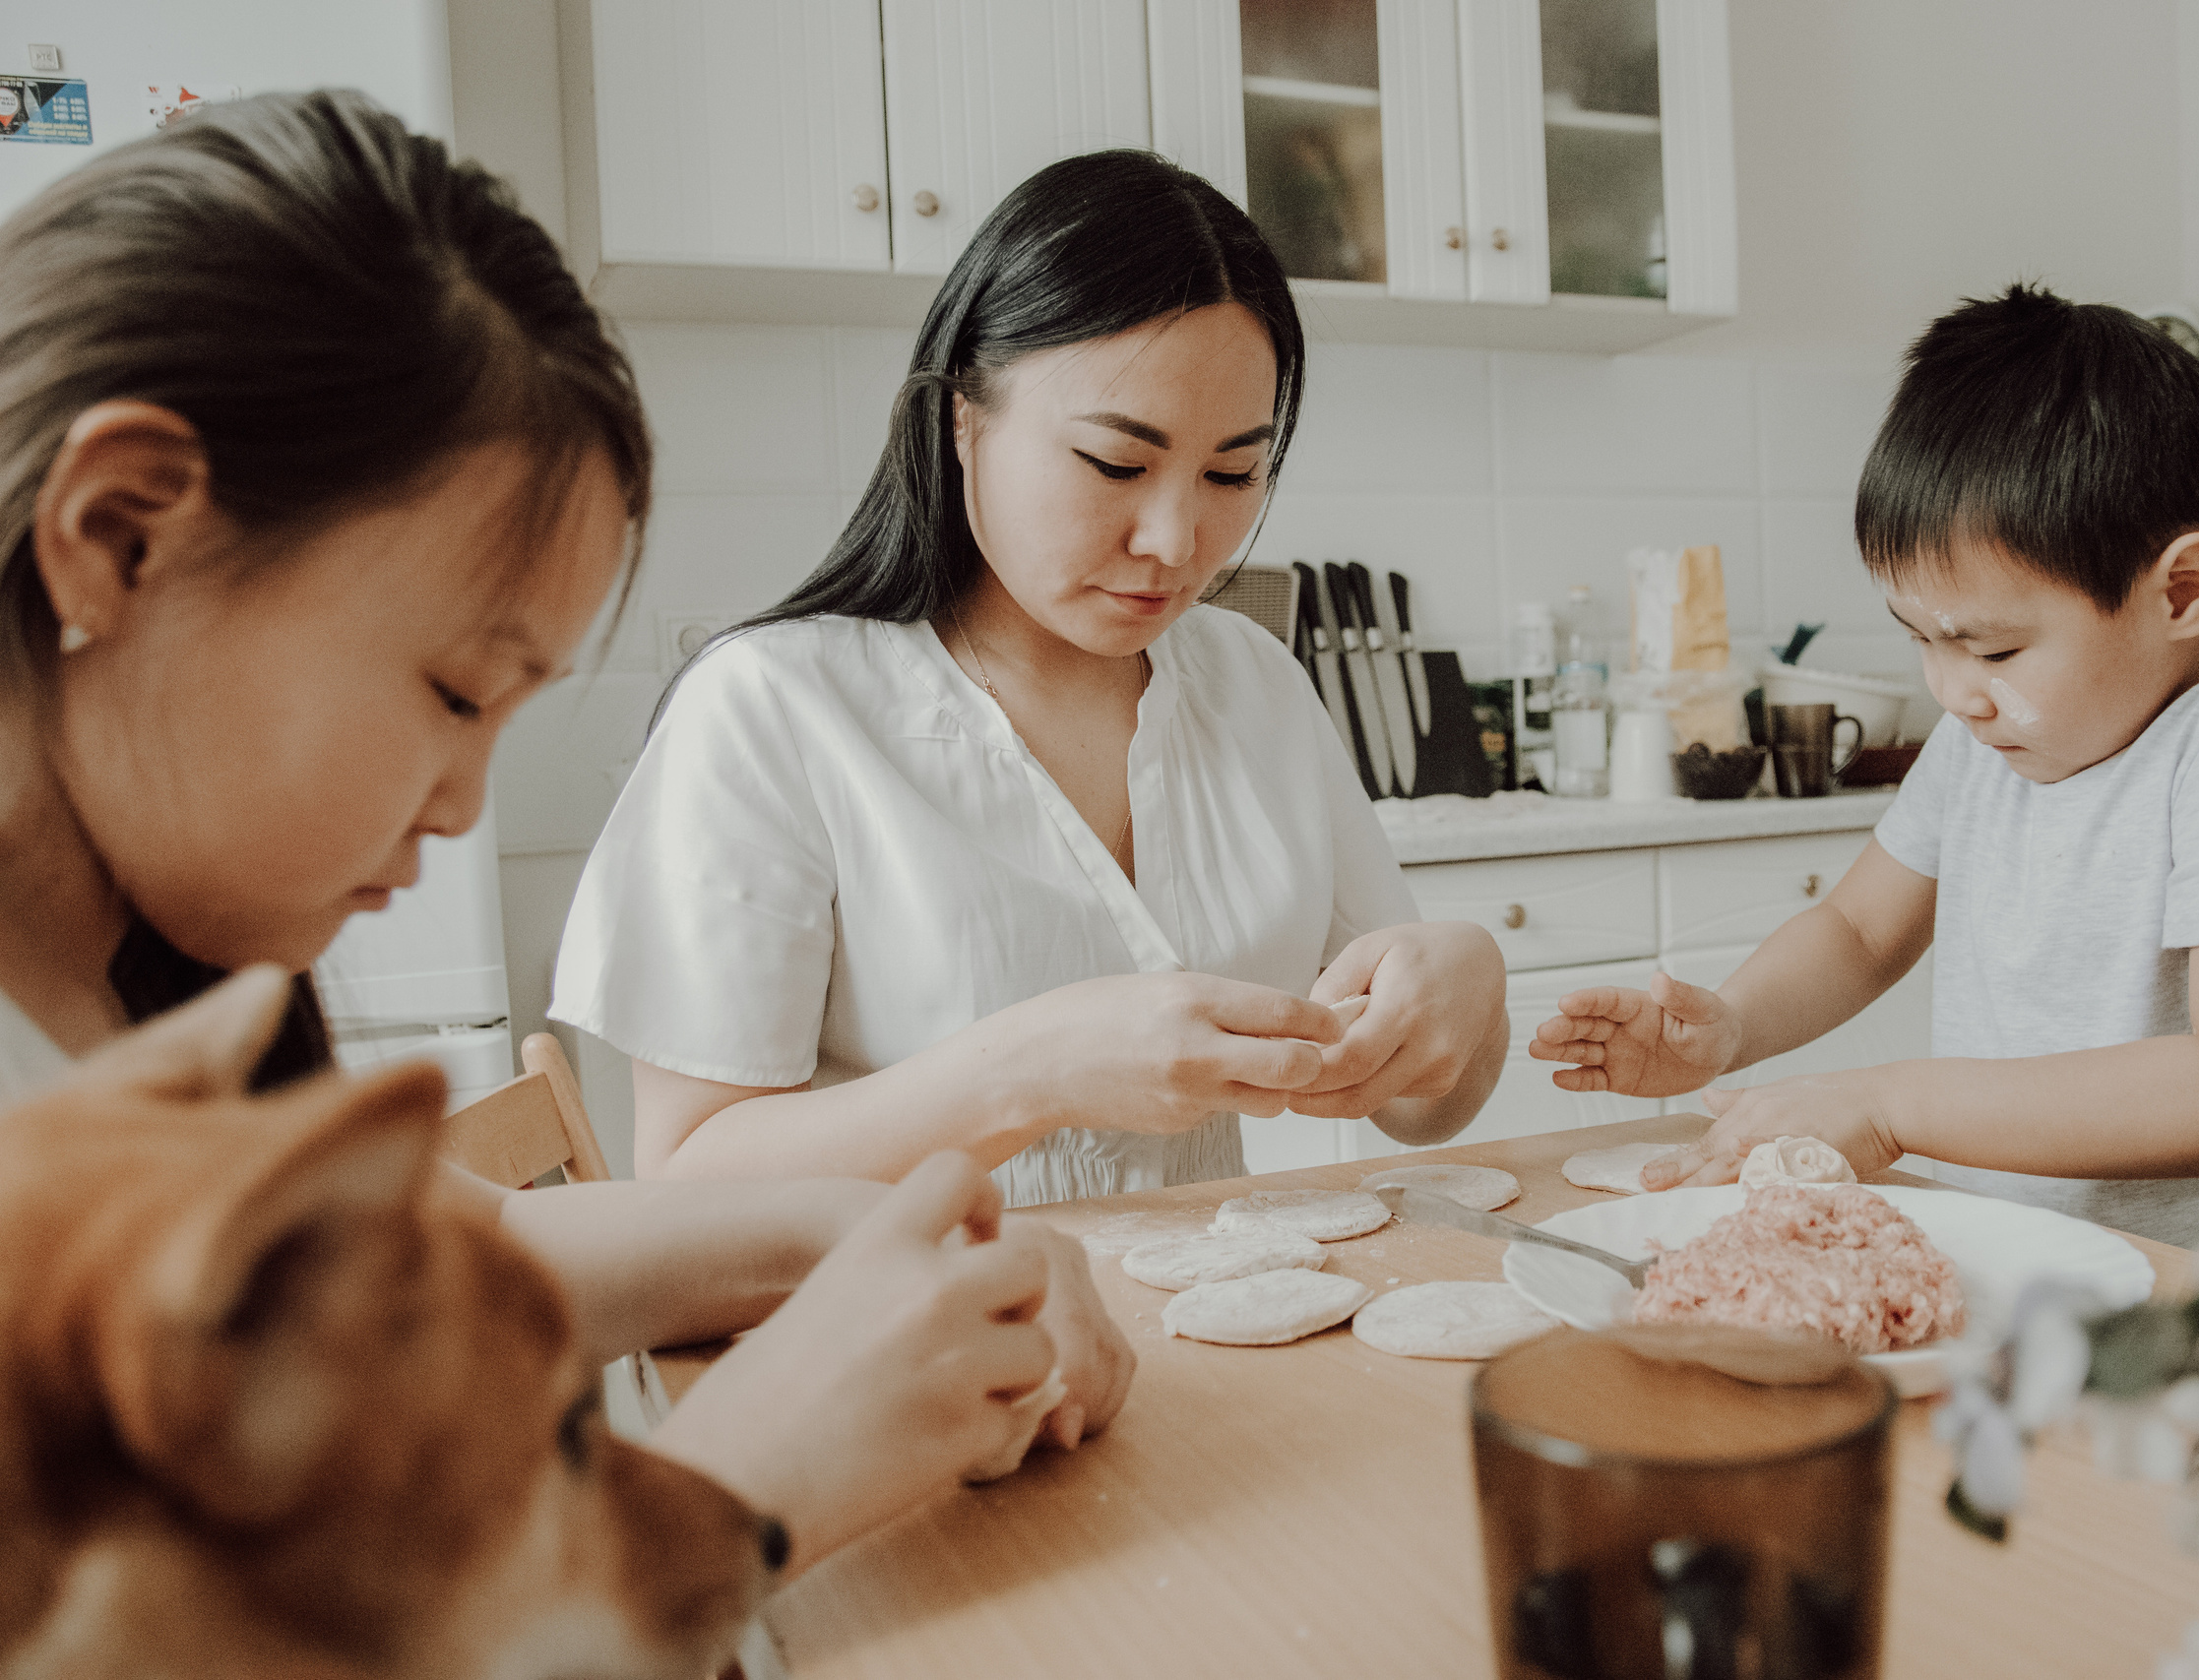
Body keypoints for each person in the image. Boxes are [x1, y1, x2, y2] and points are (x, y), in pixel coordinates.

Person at [0, 89, 1127, 1571]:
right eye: (455, 690)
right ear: (122, 534)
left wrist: (863, 1237)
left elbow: (446, 1254)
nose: (464, 803)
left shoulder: (145, 972)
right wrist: (740, 1481)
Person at [552, 151, 1509, 1204]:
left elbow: (1414, 1103)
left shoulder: (1255, 682)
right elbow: (688, 1175)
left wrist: (1469, 984)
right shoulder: (770, 709)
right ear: (963, 415)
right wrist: (1031, 1071)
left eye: (1233, 473)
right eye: (1115, 463)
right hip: (899, 1342)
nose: (1176, 539)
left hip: (1195, 1329)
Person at [1533, 284, 2199, 1276]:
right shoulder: (1988, 734)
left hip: (2198, 1318)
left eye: (1992, 647)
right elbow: (1857, 931)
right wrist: (1730, 1026)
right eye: (1922, 641)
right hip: (2011, 1271)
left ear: (2183, 590)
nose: (1953, 691)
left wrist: (1889, 1105)